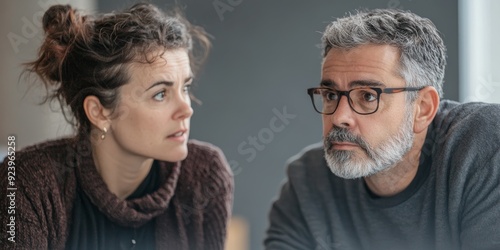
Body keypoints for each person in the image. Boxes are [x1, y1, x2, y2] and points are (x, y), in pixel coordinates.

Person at [0, 3, 233, 250]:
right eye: (160, 94)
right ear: (99, 112)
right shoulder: (24, 181)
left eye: (184, 88)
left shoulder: (204, 176)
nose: (187, 109)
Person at [265, 9, 500, 250]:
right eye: (331, 95)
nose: (339, 117)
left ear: (423, 108)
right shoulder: (308, 181)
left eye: (367, 95)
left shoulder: (486, 145)